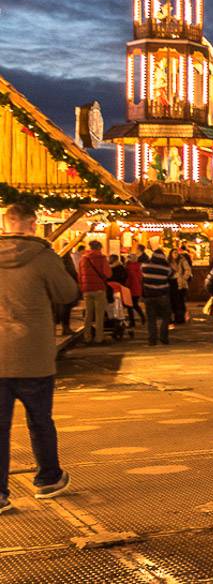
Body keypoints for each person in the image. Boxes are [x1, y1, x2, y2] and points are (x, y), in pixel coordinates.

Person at [0, 203, 79, 511]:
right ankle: (48, 479)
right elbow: (66, 294)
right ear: (33, 224)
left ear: (7, 224)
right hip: (34, 353)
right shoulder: (44, 258)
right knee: (40, 421)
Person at [77, 240, 112, 345]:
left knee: (88, 314)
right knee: (99, 315)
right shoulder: (102, 258)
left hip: (87, 290)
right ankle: (98, 338)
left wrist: (82, 286)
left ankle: (87, 337)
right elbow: (108, 274)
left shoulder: (83, 259)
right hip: (99, 289)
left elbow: (79, 275)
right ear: (99, 248)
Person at [139, 244, 174, 346]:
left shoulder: (144, 266)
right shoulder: (166, 268)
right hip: (162, 295)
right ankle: (163, 337)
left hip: (149, 295)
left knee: (151, 319)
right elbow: (171, 276)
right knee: (166, 316)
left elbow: (142, 276)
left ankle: (152, 339)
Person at [169, 244, 194, 325]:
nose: (175, 254)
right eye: (174, 253)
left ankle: (180, 318)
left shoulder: (182, 260)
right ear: (171, 254)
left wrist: (183, 278)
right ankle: (175, 317)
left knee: (180, 301)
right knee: (173, 301)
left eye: (176, 253)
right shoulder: (168, 262)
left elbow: (188, 270)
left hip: (181, 284)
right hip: (172, 283)